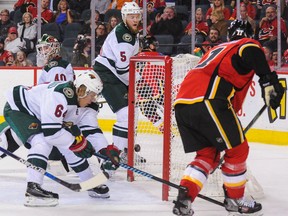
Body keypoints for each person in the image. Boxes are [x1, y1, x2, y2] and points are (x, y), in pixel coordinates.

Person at [172, 19, 284, 216]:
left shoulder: (217, 50)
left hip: (183, 104)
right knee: (238, 149)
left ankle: (184, 199)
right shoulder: (244, 44)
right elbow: (251, 50)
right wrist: (268, 80)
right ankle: (235, 199)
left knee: (207, 155)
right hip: (208, 100)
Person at [2, 70, 112, 207]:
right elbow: (52, 133)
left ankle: (90, 183)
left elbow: (92, 131)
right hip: (20, 108)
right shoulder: (60, 95)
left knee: (70, 143)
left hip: (43, 114)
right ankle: (32, 189)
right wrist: (78, 143)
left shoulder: (87, 106)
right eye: (92, 95)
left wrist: (105, 151)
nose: (93, 99)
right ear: (82, 90)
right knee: (42, 140)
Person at [93, 2, 142, 169]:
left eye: (137, 16)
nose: (135, 19)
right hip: (108, 74)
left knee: (132, 112)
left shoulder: (129, 31)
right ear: (124, 17)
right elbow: (123, 70)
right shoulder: (124, 37)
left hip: (116, 74)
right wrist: (138, 83)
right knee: (126, 114)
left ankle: (127, 150)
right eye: (131, 16)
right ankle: (114, 157)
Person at [137, 35, 165, 133]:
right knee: (169, 110)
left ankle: (166, 131)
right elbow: (164, 74)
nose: (155, 46)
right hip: (158, 91)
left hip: (142, 92)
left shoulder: (136, 57)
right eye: (153, 44)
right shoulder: (158, 56)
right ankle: (169, 129)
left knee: (149, 113)